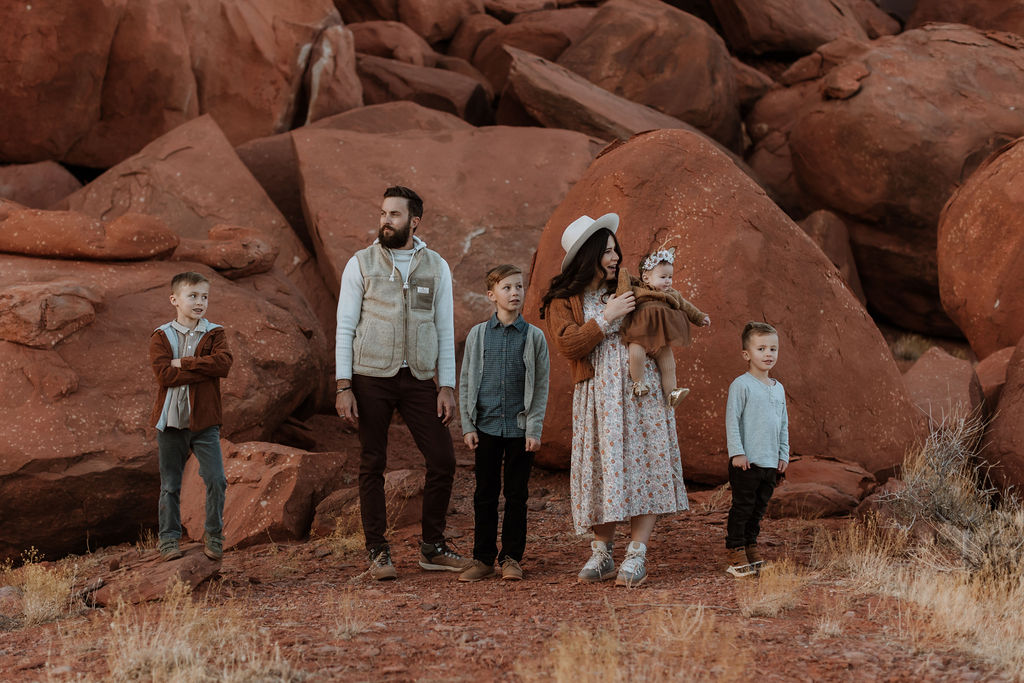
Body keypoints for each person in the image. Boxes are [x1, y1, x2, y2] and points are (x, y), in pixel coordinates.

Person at [540, 214, 689, 587]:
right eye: (606, 251)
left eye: (614, 249)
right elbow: (568, 344)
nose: (614, 257)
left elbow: (659, 317)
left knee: (647, 465)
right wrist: (607, 317)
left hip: (640, 391)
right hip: (597, 397)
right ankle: (602, 553)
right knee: (600, 470)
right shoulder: (565, 300)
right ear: (587, 255)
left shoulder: (629, 287)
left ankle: (636, 556)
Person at [335, 185, 472, 581]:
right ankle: (377, 550)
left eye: (394, 215)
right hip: (370, 377)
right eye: (382, 213)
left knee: (443, 460)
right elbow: (345, 327)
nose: (385, 220)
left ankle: (432, 546)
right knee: (372, 462)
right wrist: (343, 385)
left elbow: (444, 329)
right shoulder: (361, 263)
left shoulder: (436, 266)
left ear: (414, 221)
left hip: (417, 378)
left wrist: (446, 384)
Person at [458, 264, 550, 582]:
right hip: (486, 427)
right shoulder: (478, 335)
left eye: (519, 287)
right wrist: (468, 425)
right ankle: (482, 559)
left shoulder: (534, 337)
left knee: (516, 494)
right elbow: (468, 380)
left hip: (519, 430)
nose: (514, 293)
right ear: (491, 295)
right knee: (484, 493)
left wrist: (534, 428)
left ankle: (511, 557)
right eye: (506, 287)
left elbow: (540, 387)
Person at [148, 271, 233, 562]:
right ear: (175, 299)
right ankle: (169, 539)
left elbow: (223, 364)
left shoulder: (215, 332)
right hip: (171, 423)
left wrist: (183, 362)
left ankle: (214, 535)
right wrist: (200, 368)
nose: (200, 302)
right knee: (170, 484)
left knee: (216, 479)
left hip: (205, 422)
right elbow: (164, 374)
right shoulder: (161, 336)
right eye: (192, 296)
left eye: (205, 297)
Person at [724, 321, 790, 577]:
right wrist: (737, 453)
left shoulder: (779, 388)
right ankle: (735, 550)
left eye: (773, 349)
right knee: (743, 507)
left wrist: (783, 454)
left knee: (759, 509)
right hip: (747, 462)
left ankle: (750, 547)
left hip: (769, 462)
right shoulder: (742, 385)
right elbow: (732, 421)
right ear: (746, 354)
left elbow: (783, 423)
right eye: (761, 348)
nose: (768, 354)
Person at [616, 246, 711, 405]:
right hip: (639, 336)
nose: (668, 281)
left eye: (670, 277)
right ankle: (638, 383)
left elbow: (687, 307)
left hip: (660, 340)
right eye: (663, 277)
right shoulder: (639, 290)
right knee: (636, 355)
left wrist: (700, 317)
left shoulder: (672, 294)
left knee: (669, 365)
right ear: (646, 278)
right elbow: (623, 292)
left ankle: (672, 393)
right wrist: (623, 274)